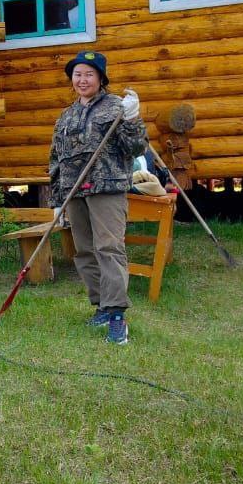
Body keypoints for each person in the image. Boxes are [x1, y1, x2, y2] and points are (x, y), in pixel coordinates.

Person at [49, 51, 146, 345]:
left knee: (109, 248)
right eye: (77, 74)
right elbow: (56, 159)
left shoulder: (116, 106)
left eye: (89, 74)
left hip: (107, 188)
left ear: (101, 78)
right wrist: (56, 200)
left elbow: (136, 148)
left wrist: (132, 118)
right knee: (84, 251)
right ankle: (102, 306)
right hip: (74, 192)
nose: (82, 80)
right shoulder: (66, 116)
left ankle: (117, 316)